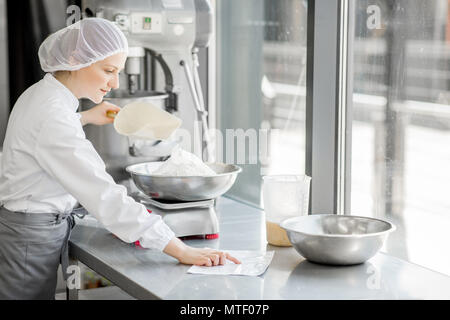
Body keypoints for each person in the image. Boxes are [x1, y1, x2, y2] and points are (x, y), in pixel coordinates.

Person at [0, 18, 239, 300]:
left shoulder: (41, 94)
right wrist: (179, 249)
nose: (114, 83)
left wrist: (86, 117)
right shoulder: (54, 117)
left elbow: (41, 134)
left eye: (118, 72)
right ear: (76, 59)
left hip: (28, 229)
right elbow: (105, 197)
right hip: (30, 239)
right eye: (108, 71)